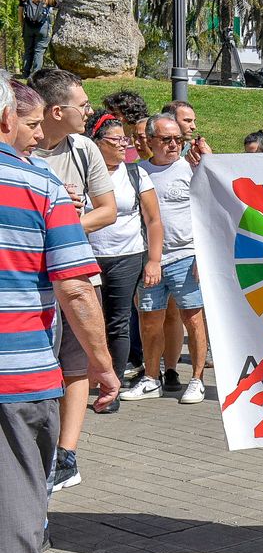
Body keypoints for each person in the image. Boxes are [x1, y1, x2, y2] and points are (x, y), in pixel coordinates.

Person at [0, 71, 118, 553]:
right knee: (20, 484)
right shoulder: (39, 186)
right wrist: (101, 363)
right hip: (18, 370)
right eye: (24, 123)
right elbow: (74, 287)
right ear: (7, 118)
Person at [30, 69, 118, 490]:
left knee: (76, 364)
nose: (90, 111)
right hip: (29, 280)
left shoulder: (84, 149)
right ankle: (37, 453)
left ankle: (66, 455)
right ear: (57, 110)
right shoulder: (17, 151)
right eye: (82, 105)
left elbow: (108, 210)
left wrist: (67, 222)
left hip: (75, 271)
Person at [118, 114, 209, 407]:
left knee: (193, 319)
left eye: (179, 140)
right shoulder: (137, 172)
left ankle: (197, 379)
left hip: (186, 255)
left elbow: (210, 212)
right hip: (150, 259)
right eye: (167, 139)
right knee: (149, 320)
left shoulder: (192, 169)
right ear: (150, 141)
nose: (174, 145)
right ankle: (152, 378)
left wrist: (202, 254)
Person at [84, 111, 162, 412]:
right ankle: (84, 379)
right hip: (87, 255)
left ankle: (111, 386)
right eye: (116, 140)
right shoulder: (82, 171)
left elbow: (154, 220)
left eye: (124, 139)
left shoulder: (135, 173)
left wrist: (153, 260)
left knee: (118, 323)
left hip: (126, 257)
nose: (123, 144)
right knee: (90, 322)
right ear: (97, 143)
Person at [19, 0, 56, 78]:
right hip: (43, 28)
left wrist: (23, 25)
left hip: (28, 27)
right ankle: (35, 75)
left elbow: (20, 13)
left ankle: (25, 74)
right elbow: (57, 4)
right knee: (39, 51)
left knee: (28, 50)